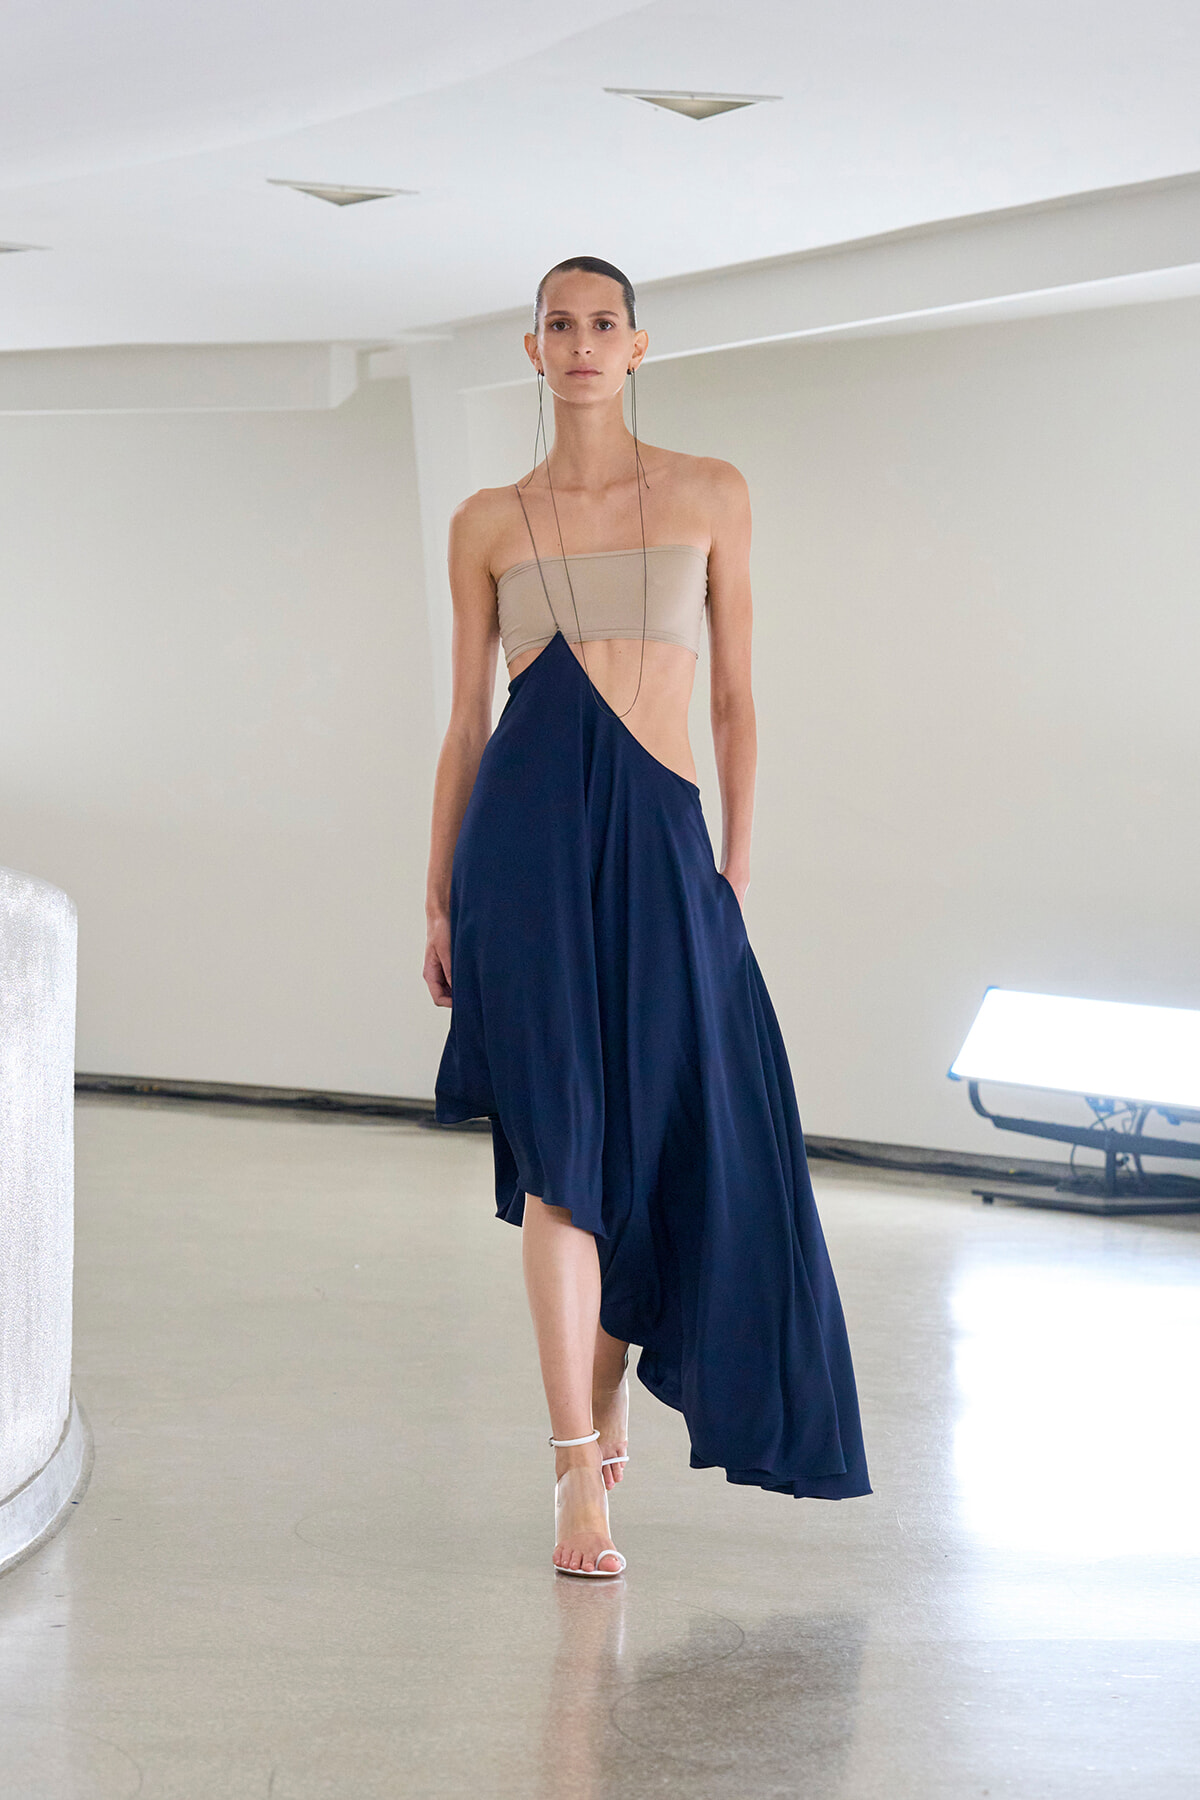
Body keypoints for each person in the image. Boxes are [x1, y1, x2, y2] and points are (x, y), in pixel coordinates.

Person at [424, 255, 870, 1578]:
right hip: (525, 859)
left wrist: (733, 864)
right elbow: (465, 721)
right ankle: (577, 1483)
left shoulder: (710, 493)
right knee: (565, 1155)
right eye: (558, 324)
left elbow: (735, 699)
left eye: (601, 323)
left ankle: (609, 1386)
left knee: (673, 1145)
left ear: (637, 345)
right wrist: (439, 895)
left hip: (668, 847)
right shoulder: (485, 521)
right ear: (531, 348)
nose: (579, 343)